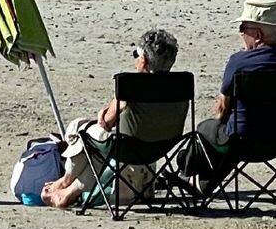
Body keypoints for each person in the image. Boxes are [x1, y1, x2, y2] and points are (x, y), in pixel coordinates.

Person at [41, 29, 184, 209]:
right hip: (164, 145)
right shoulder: (181, 83)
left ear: (144, 60)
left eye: (136, 54)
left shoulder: (131, 85)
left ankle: (65, 182)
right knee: (95, 145)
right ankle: (68, 191)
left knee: (82, 131)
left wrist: (109, 109)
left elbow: (106, 123)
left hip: (129, 147)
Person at [186, 0, 276, 192]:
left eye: (243, 28)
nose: (241, 33)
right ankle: (203, 183)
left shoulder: (240, 63)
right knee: (231, 133)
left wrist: (219, 123)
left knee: (207, 129)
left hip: (243, 144)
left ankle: (188, 173)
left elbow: (223, 110)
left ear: (257, 35)